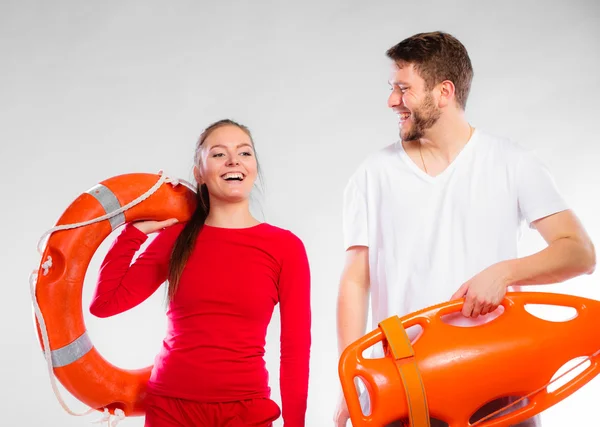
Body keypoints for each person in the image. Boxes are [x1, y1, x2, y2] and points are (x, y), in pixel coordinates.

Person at [334, 31, 596, 427]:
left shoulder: (512, 162)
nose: (392, 101)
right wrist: (349, 383)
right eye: (392, 88)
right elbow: (355, 282)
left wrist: (503, 273)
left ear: (444, 91)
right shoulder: (373, 174)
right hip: (408, 385)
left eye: (403, 89)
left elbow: (580, 252)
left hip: (501, 383)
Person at [90, 119, 312, 427]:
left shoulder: (286, 247)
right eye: (219, 154)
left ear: (254, 168)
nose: (234, 160)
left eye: (245, 153)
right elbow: (105, 303)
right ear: (199, 173)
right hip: (171, 409)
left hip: (246, 411)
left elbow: (295, 351)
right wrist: (133, 234)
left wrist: (296, 423)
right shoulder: (176, 238)